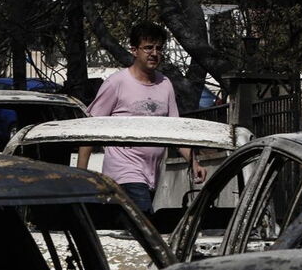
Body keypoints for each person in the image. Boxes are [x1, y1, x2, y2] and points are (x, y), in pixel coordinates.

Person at [77, 22, 207, 215]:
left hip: (153, 175)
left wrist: (193, 162)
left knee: (140, 230)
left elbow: (175, 132)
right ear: (134, 50)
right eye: (148, 48)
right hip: (124, 173)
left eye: (158, 48)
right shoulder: (117, 83)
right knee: (145, 222)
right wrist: (82, 177)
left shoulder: (165, 84)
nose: (154, 53)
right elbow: (90, 130)